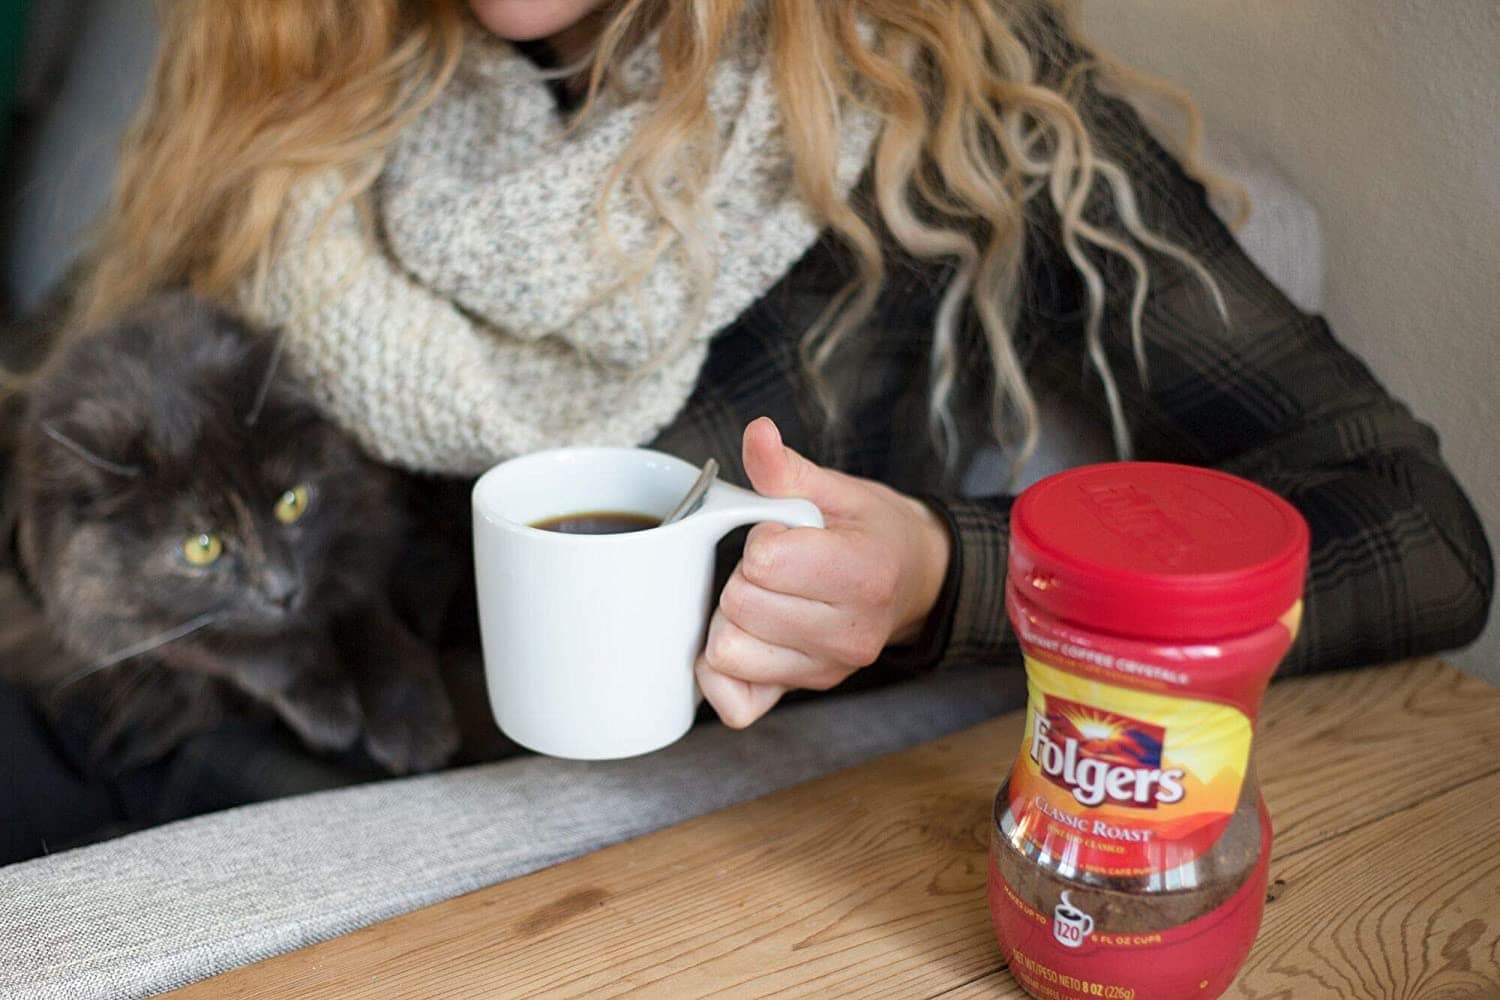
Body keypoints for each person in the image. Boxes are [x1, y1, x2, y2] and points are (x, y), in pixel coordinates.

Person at [5, 0, 1492, 858]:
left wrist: (946, 578)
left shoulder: (930, 94)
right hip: (185, 788)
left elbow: (1415, 531)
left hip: (575, 877)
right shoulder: (302, 94)